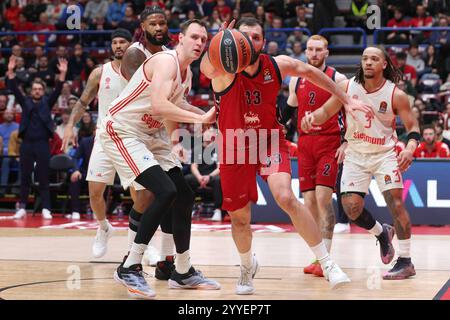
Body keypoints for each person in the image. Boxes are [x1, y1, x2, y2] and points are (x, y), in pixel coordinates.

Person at [200, 17, 370, 294]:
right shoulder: (222, 67)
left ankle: (327, 263)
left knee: (286, 196)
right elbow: (206, 67)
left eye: (255, 37)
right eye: (244, 36)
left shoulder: (276, 65)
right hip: (234, 145)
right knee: (240, 218)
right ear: (234, 40)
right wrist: (217, 43)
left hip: (268, 140)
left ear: (263, 42)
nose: (250, 41)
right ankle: (246, 267)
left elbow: (312, 73)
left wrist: (346, 98)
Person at [99, 19, 219, 299]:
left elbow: (175, 105)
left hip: (150, 136)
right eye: (194, 37)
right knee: (163, 191)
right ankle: (129, 266)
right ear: (180, 38)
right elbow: (158, 105)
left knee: (185, 195)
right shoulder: (166, 61)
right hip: (123, 130)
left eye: (204, 38)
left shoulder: (185, 72)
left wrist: (207, 114)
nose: (200, 43)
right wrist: (199, 119)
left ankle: (182, 270)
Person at [301, 46, 421, 280]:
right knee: (351, 208)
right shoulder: (348, 87)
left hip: (384, 154)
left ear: (384, 64)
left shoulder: (395, 94)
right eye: (365, 58)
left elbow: (413, 128)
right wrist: (311, 118)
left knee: (395, 203)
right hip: (355, 154)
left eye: (374, 59)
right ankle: (381, 233)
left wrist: (410, 148)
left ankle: (406, 261)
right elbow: (325, 112)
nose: (368, 62)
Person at [62, 29, 137, 257]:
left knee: (139, 195)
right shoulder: (99, 72)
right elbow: (84, 100)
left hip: (131, 137)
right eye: (114, 42)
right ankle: (104, 228)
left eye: (122, 42)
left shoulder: (140, 71)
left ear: (130, 44)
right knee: (95, 192)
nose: (118, 46)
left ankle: (138, 245)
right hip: (104, 137)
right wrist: (70, 125)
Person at [282, 35, 348, 277]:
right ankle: (319, 256)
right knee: (308, 202)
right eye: (310, 49)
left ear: (327, 52)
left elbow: (349, 109)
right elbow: (289, 109)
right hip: (305, 144)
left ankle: (327, 259)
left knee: (322, 198)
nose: (314, 53)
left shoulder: (337, 78)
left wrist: (347, 142)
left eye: (319, 50)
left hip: (329, 143)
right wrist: (278, 126)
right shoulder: (296, 79)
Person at [8, 56, 68, 220]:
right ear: (31, 91)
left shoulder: (47, 103)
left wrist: (62, 74)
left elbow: (57, 91)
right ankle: (21, 207)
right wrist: (11, 71)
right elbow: (13, 88)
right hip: (26, 144)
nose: (37, 91)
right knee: (25, 176)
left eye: (39, 89)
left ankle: (46, 208)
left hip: (42, 144)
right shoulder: (25, 101)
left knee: (43, 177)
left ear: (42, 91)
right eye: (34, 89)